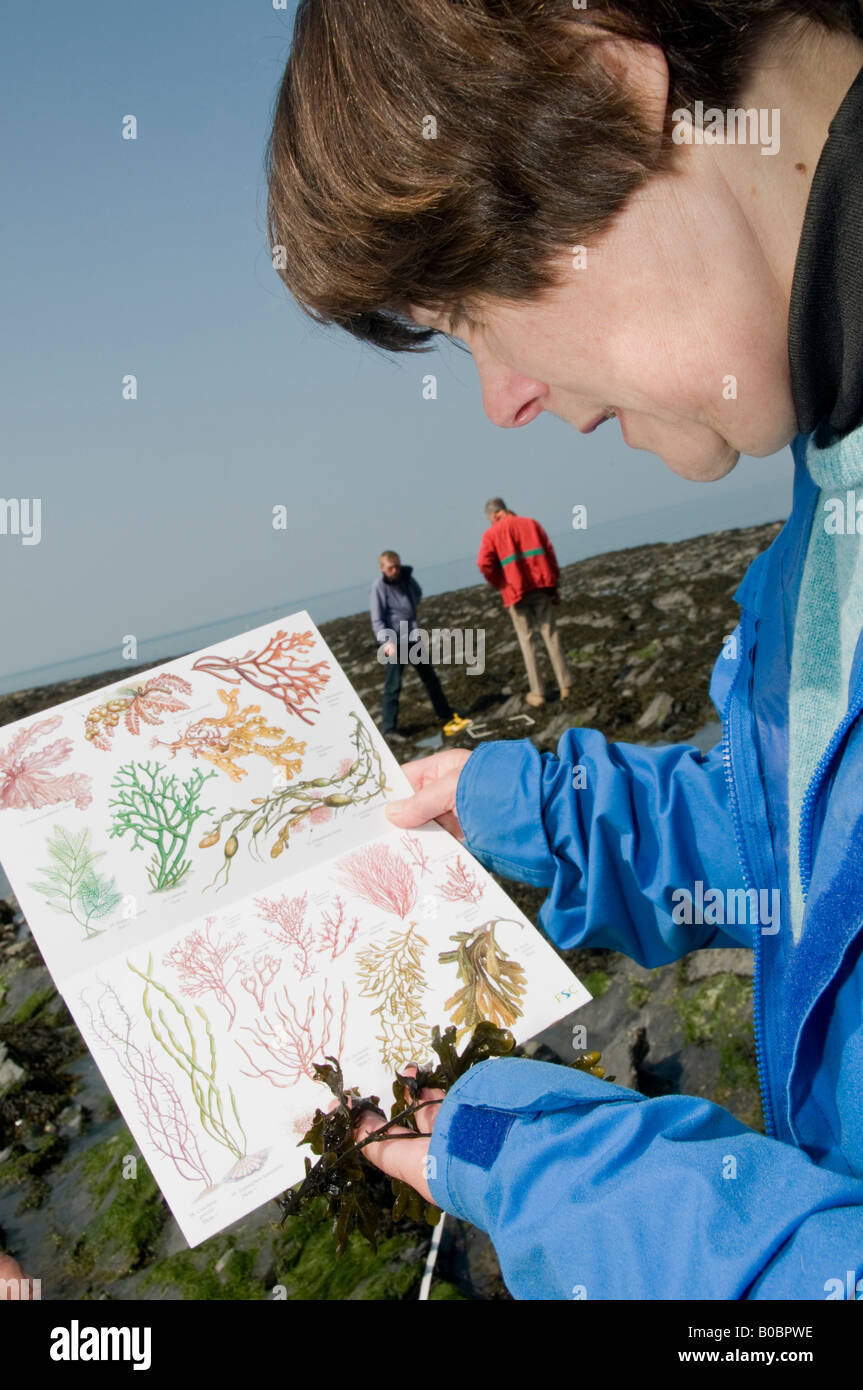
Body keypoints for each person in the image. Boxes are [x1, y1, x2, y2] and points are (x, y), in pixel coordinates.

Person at [268, 0, 863, 1299]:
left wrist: (567, 1185)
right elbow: (796, 852)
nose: (503, 399)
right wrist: (520, 806)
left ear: (603, 98)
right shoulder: (830, 514)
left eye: (472, 316)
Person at [477, 498, 572, 707]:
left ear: (495, 515)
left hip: (515, 591)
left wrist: (501, 583)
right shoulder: (531, 524)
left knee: (527, 641)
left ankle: (538, 693)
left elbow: (483, 563)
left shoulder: (491, 534)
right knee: (551, 634)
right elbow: (550, 554)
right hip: (541, 586)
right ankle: (565, 685)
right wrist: (554, 583)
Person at [370, 550, 469, 743]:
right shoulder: (378, 587)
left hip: (412, 636)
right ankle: (389, 729)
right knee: (393, 686)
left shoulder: (406, 579)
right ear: (382, 568)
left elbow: (417, 594)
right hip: (394, 642)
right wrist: (386, 643)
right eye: (390, 568)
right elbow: (377, 620)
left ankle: (444, 712)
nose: (395, 570)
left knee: (430, 678)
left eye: (397, 566)